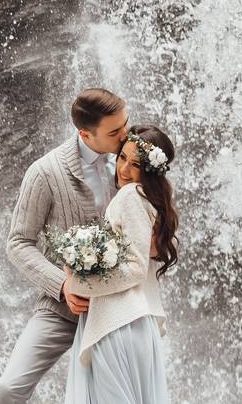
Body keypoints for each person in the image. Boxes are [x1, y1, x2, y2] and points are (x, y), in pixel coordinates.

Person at [0, 88, 129, 404]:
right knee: (8, 390)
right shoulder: (44, 172)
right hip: (62, 309)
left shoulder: (132, 158)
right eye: (115, 131)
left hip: (119, 307)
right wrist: (63, 285)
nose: (126, 135)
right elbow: (18, 242)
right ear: (85, 134)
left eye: (126, 124)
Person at [66, 125, 178, 404]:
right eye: (122, 157)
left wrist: (78, 283)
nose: (124, 169)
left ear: (150, 171)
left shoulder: (130, 196)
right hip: (137, 326)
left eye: (136, 163)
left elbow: (136, 268)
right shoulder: (152, 202)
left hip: (118, 325)